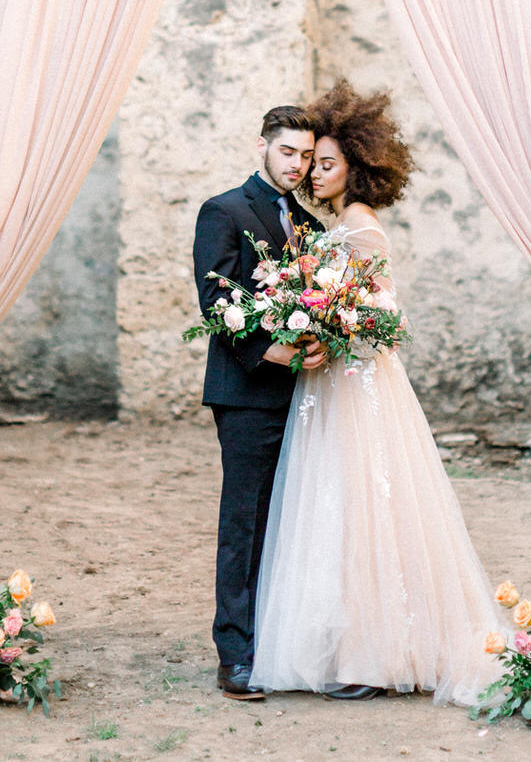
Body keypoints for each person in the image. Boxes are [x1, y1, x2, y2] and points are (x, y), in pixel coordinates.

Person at [250, 81, 504, 703]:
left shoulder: (360, 227)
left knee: (362, 507)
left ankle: (374, 656)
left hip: (357, 387)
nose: (313, 171)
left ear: (357, 170)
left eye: (326, 163)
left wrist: (325, 330)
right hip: (332, 383)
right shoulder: (336, 225)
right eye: (310, 161)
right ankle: (352, 647)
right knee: (337, 509)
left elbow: (383, 316)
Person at [193, 105, 328, 701]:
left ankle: (280, 642)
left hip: (307, 396)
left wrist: (325, 339)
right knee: (244, 522)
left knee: (291, 520)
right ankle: (235, 654)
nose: (297, 165)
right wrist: (272, 352)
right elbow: (216, 298)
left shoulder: (312, 227)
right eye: (288, 153)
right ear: (263, 146)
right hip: (248, 392)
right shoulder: (224, 210)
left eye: (306, 156)